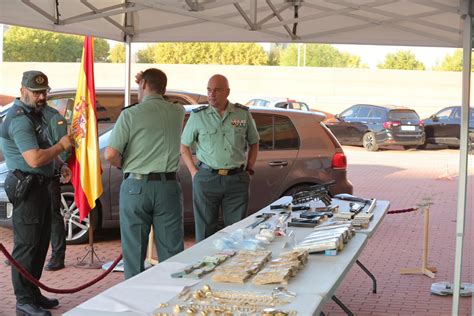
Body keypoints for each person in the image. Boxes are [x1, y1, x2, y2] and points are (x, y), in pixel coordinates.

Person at [0, 70, 73, 316]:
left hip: (41, 185)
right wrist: (61, 147)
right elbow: (33, 158)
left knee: (41, 244)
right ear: (22, 91)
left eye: (44, 92)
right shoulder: (20, 119)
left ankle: (33, 294)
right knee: (26, 247)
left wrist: (60, 165)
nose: (41, 96)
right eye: (36, 92)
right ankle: (23, 301)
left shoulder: (35, 114)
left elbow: (43, 154)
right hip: (28, 188)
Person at [104, 68, 185, 279]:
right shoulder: (178, 111)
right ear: (164, 88)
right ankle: (172, 298)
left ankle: (135, 301)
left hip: (136, 187)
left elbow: (110, 154)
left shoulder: (130, 114)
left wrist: (125, 164)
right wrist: (150, 84)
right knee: (171, 251)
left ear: (142, 85)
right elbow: (162, 99)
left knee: (134, 251)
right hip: (167, 186)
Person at [180, 74, 259, 242]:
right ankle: (205, 266)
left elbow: (254, 142)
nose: (211, 94)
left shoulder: (242, 114)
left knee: (237, 233)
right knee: (205, 232)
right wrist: (194, 172)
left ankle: (235, 268)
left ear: (227, 92)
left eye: (216, 90)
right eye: (209, 90)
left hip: (236, 180)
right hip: (207, 178)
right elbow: (184, 146)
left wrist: (249, 168)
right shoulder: (198, 116)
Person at [42, 106, 70, 271]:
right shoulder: (25, 115)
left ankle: (58, 256)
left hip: (50, 174)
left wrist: (59, 166)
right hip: (29, 177)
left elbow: (64, 146)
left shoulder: (52, 116)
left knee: (53, 215)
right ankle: (21, 256)